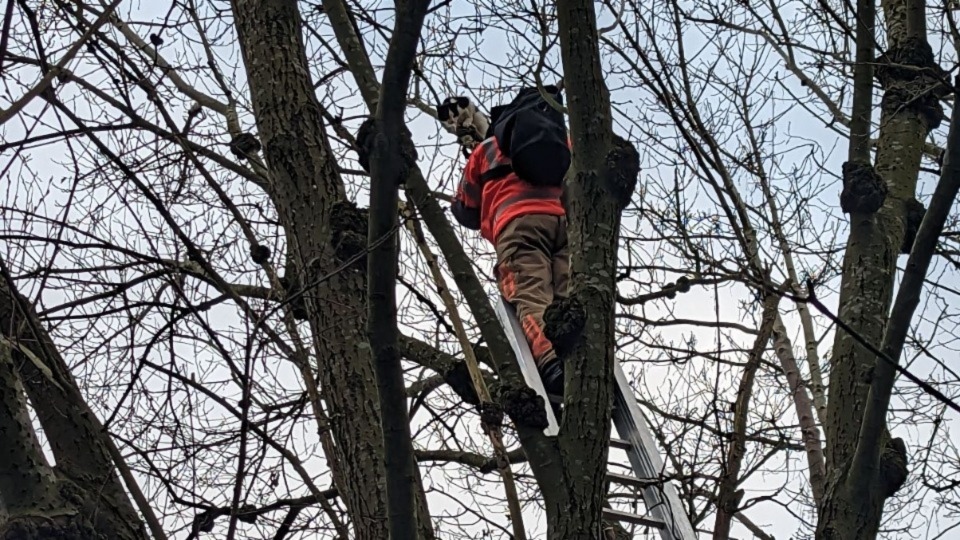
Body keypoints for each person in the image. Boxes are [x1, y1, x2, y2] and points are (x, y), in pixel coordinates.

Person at [446, 87, 571, 396]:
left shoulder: (487, 150)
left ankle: (552, 362)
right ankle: (585, 363)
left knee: (531, 294)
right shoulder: (565, 142)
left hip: (518, 225)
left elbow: (464, 208)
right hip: (568, 225)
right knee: (570, 297)